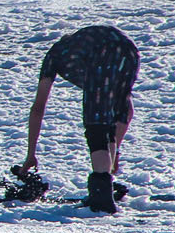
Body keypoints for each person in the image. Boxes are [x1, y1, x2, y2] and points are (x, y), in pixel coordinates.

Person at [20, 24, 141, 213]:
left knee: (96, 125)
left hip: (103, 50)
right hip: (130, 50)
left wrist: (31, 155)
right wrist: (115, 152)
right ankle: (105, 184)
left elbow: (39, 106)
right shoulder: (81, 48)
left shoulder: (55, 54)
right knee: (111, 114)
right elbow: (126, 109)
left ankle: (101, 196)